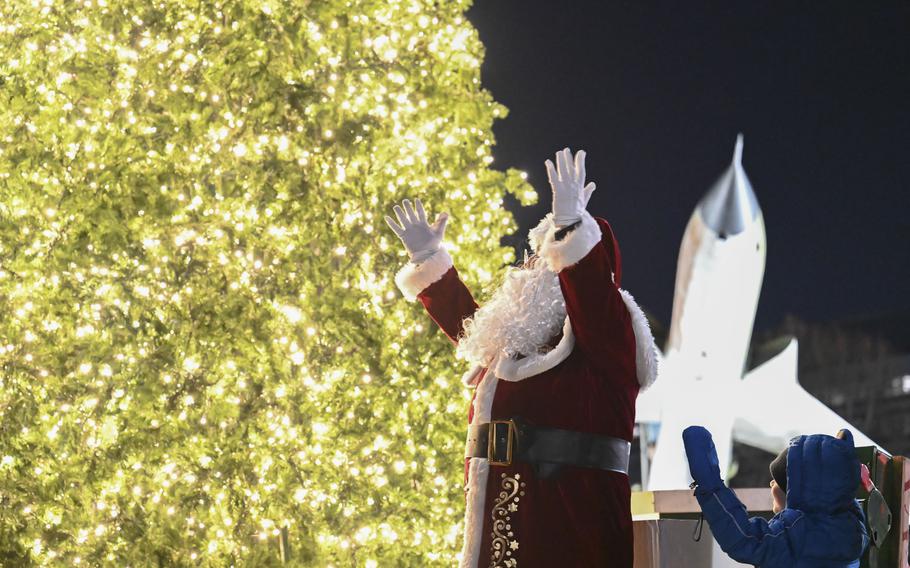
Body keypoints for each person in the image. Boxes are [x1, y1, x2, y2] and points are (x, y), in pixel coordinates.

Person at [386, 149, 658, 567]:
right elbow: (471, 329)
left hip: (570, 530)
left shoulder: (607, 332)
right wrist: (430, 264)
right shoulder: (517, 337)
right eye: (534, 256)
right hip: (500, 528)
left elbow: (589, 295)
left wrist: (569, 227)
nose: (531, 267)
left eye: (546, 257)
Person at [682, 425, 869, 567]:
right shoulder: (849, 527)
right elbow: (834, 492)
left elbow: (743, 539)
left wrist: (710, 485)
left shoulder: (797, 536)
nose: (771, 484)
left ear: (795, 492)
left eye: (777, 481)